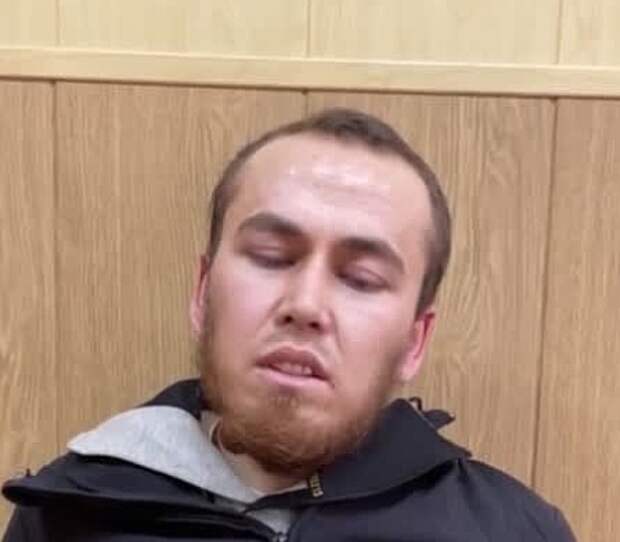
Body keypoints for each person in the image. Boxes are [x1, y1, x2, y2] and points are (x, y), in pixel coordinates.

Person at [2, 108, 575, 541]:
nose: (305, 304)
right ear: (203, 292)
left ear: (414, 342)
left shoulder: (517, 531)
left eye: (362, 279)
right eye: (272, 256)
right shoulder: (64, 510)